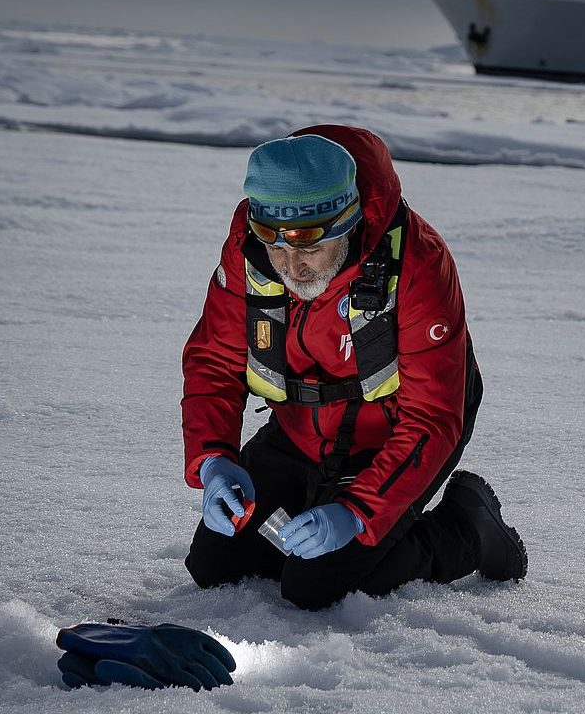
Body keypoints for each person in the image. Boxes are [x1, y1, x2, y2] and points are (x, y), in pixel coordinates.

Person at [180, 124, 527, 610]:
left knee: (314, 588)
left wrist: (357, 513)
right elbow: (214, 361)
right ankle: (320, 517)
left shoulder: (419, 264)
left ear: (346, 221)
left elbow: (432, 419)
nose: (292, 266)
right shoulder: (248, 249)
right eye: (278, 246)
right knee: (214, 567)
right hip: (299, 429)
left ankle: (467, 528)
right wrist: (214, 458)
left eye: (309, 247)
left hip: (401, 432)